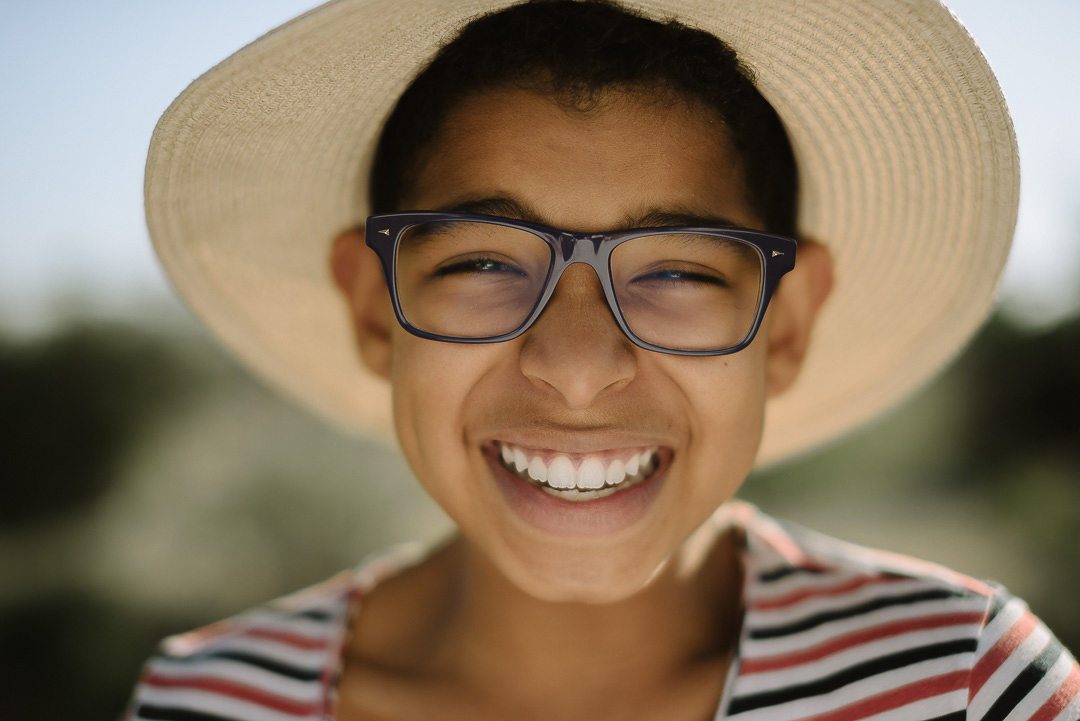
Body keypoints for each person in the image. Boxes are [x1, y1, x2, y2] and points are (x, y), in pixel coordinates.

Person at [127, 1, 1079, 719]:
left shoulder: (961, 684)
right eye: (484, 261)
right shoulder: (207, 700)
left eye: (677, 270)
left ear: (784, 326)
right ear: (376, 307)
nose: (578, 367)